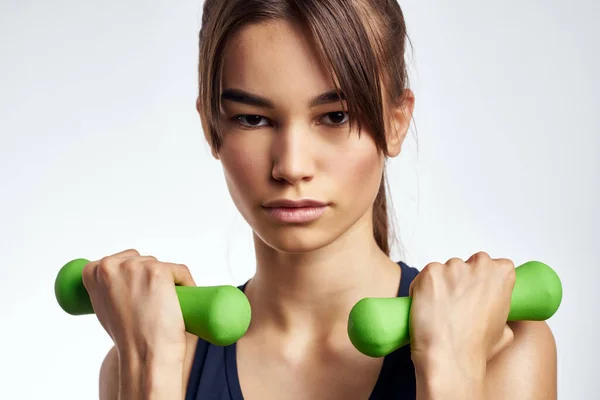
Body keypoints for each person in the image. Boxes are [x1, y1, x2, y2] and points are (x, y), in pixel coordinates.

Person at [82, 0, 557, 399]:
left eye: (334, 116)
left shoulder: (505, 350)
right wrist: (151, 374)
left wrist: (451, 372)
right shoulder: (150, 357)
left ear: (396, 121)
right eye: (252, 119)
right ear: (211, 125)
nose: (291, 166)